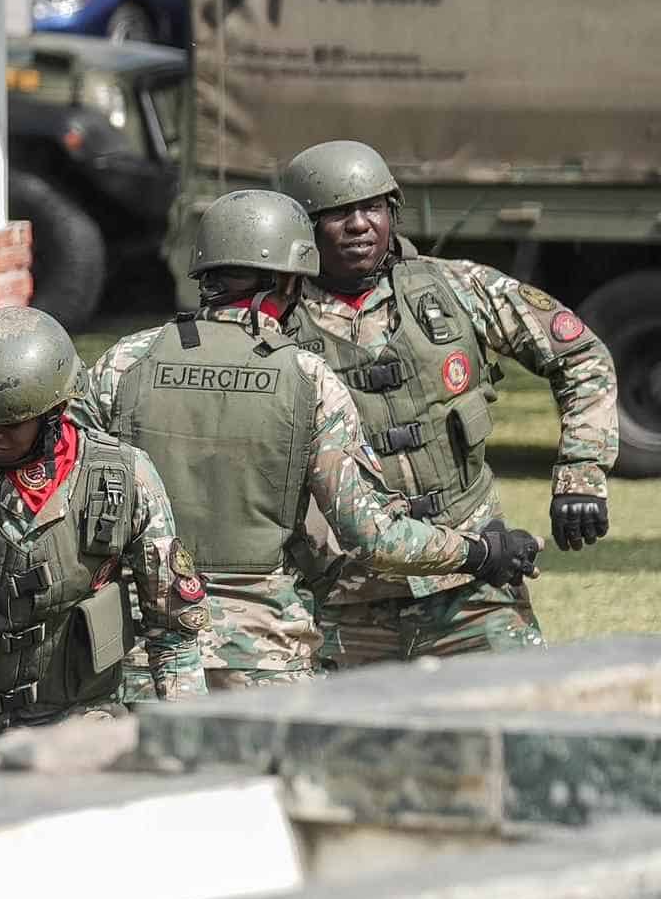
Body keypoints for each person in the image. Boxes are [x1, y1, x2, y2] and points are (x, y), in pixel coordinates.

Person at [74, 189, 530, 689]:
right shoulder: (308, 378)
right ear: (290, 280)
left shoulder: (124, 363)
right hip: (264, 657)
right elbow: (373, 535)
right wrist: (479, 552)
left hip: (138, 651)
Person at [277, 139, 617, 667]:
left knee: (522, 723)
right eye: (337, 214)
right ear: (303, 227)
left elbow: (581, 355)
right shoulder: (272, 326)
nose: (360, 225)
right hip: (341, 600)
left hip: (475, 581)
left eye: (372, 208)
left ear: (393, 212)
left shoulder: (458, 288)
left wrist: (581, 471)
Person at [0, 307, 210, 739]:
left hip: (82, 721)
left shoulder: (124, 476)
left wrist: (192, 734)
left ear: (54, 411)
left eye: (10, 424)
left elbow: (172, 627)